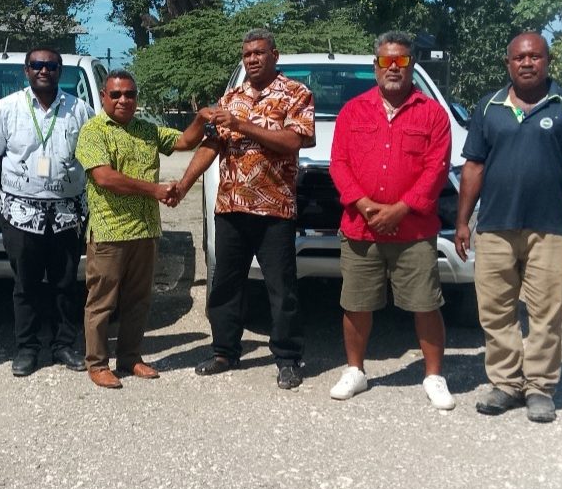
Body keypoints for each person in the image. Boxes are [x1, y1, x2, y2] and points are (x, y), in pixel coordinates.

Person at [454, 31, 562, 423]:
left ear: (547, 61)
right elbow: (473, 167)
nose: (527, 63)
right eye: (519, 57)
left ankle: (539, 387)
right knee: (496, 310)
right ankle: (504, 383)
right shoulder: (489, 108)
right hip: (495, 227)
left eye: (535, 56)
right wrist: (463, 221)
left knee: (545, 312)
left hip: (548, 228)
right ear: (508, 63)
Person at [173, 28, 315, 390]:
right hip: (232, 207)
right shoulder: (231, 96)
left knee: (281, 288)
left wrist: (242, 125)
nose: (252, 59)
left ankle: (287, 358)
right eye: (247, 54)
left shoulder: (295, 94)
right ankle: (224, 351)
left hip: (274, 209)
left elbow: (295, 140)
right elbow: (211, 145)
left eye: (259, 53)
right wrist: (184, 184)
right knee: (225, 283)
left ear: (274, 55)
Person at [325, 31, 454, 407]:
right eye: (386, 61)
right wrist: (364, 205)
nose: (393, 68)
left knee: (425, 303)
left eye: (400, 61)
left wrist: (401, 208)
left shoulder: (432, 114)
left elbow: (436, 169)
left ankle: (433, 376)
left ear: (411, 65)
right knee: (356, 302)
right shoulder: (353, 111)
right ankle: (355, 371)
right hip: (360, 227)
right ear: (375, 66)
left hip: (413, 230)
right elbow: (339, 163)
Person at [74, 71, 205, 389]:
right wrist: (155, 190)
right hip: (110, 231)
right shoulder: (93, 131)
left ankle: (130, 358)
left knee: (138, 299)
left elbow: (186, 141)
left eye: (129, 94)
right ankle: (97, 363)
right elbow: (105, 177)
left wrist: (201, 118)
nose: (123, 100)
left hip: (145, 230)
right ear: (104, 96)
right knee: (103, 301)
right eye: (116, 94)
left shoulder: (147, 129)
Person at [0, 48, 95, 376]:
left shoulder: (80, 110)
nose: (44, 70)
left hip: (67, 213)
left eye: (51, 65)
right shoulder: (5, 109)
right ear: (26, 70)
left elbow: (88, 154)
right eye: (37, 65)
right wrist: (26, 179)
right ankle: (27, 348)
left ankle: (63, 345)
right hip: (20, 212)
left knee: (65, 283)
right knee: (26, 284)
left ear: (60, 71)